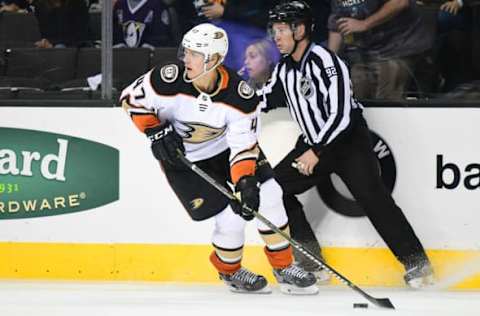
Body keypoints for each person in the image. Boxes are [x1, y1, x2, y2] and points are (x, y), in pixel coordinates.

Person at [120, 23, 319, 295]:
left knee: (270, 193)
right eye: (186, 52)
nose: (185, 59)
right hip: (185, 160)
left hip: (226, 151)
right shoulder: (166, 79)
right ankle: (230, 271)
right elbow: (130, 99)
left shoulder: (240, 96)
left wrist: (246, 182)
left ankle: (283, 266)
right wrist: (154, 130)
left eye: (194, 54)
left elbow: (243, 147)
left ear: (213, 60)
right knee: (230, 215)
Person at [261, 1, 434, 288]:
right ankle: (311, 263)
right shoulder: (284, 70)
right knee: (275, 192)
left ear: (300, 29)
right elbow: (260, 101)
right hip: (313, 145)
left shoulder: (326, 60)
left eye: (281, 29)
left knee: (374, 198)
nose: (276, 36)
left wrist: (316, 150)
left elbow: (342, 114)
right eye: (274, 30)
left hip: (348, 142)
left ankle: (418, 264)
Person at [327, 0, 432, 99]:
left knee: (387, 101)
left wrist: (365, 24)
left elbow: (400, 2)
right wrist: (328, 61)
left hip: (398, 47)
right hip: (364, 53)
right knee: (357, 98)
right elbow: (338, 25)